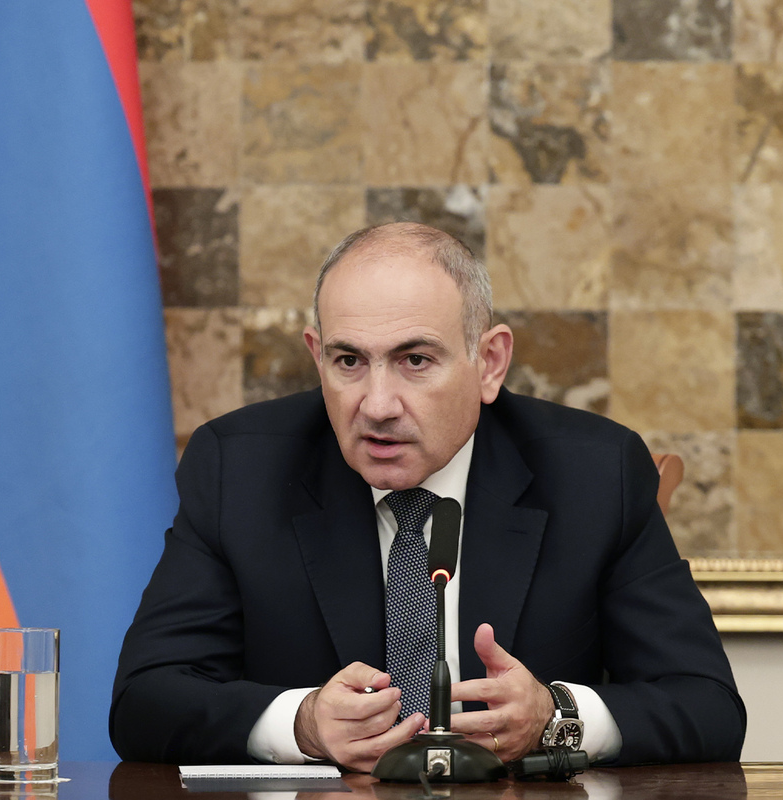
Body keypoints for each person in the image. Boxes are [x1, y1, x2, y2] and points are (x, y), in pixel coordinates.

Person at [110, 223, 745, 770]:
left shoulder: (595, 474)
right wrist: (302, 724)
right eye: (349, 361)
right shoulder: (240, 470)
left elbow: (708, 705)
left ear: (489, 362)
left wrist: (554, 716)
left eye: (415, 360)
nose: (377, 405)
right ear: (316, 355)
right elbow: (145, 699)